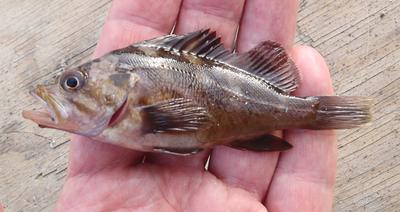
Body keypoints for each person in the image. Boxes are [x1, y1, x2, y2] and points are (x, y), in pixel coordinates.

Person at [55, 0, 337, 211]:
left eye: (73, 84)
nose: (68, 91)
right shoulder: (127, 94)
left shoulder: (131, 95)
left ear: (118, 83)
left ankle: (317, 113)